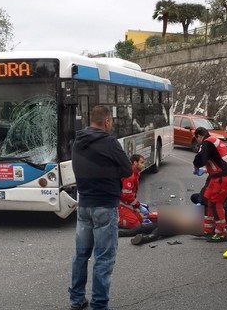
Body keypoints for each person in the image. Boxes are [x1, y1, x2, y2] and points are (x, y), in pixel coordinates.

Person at [68, 105, 132, 310]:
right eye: (110, 121)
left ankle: (76, 300)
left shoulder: (78, 141)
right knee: (104, 258)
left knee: (81, 255)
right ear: (106, 121)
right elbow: (127, 169)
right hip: (104, 205)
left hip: (84, 204)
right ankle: (99, 305)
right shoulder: (110, 142)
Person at [193, 126, 227, 242]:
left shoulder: (207, 142)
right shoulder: (216, 141)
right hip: (219, 175)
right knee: (208, 199)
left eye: (197, 139)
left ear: (199, 136)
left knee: (216, 203)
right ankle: (208, 229)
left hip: (222, 177)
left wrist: (196, 166)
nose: (198, 142)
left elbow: (201, 158)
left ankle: (221, 233)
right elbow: (218, 160)